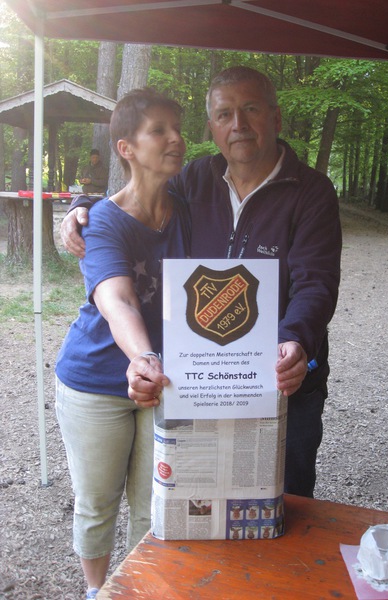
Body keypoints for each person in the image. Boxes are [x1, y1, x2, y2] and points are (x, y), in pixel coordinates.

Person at [61, 66, 341, 500]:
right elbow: (136, 196)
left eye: (251, 109)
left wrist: (296, 339)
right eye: (225, 114)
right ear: (212, 127)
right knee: (204, 497)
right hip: (204, 378)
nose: (238, 124)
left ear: (276, 118)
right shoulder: (194, 180)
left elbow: (316, 282)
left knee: (284, 500)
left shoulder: (311, 191)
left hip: (282, 376)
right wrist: (84, 207)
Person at [55, 88, 189, 599]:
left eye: (177, 129)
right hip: (95, 380)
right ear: (126, 148)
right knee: (97, 502)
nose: (175, 139)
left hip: (163, 382)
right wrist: (145, 358)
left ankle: (137, 589)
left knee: (155, 502)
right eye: (159, 130)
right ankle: (96, 591)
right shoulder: (103, 221)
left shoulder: (191, 208)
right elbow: (118, 301)